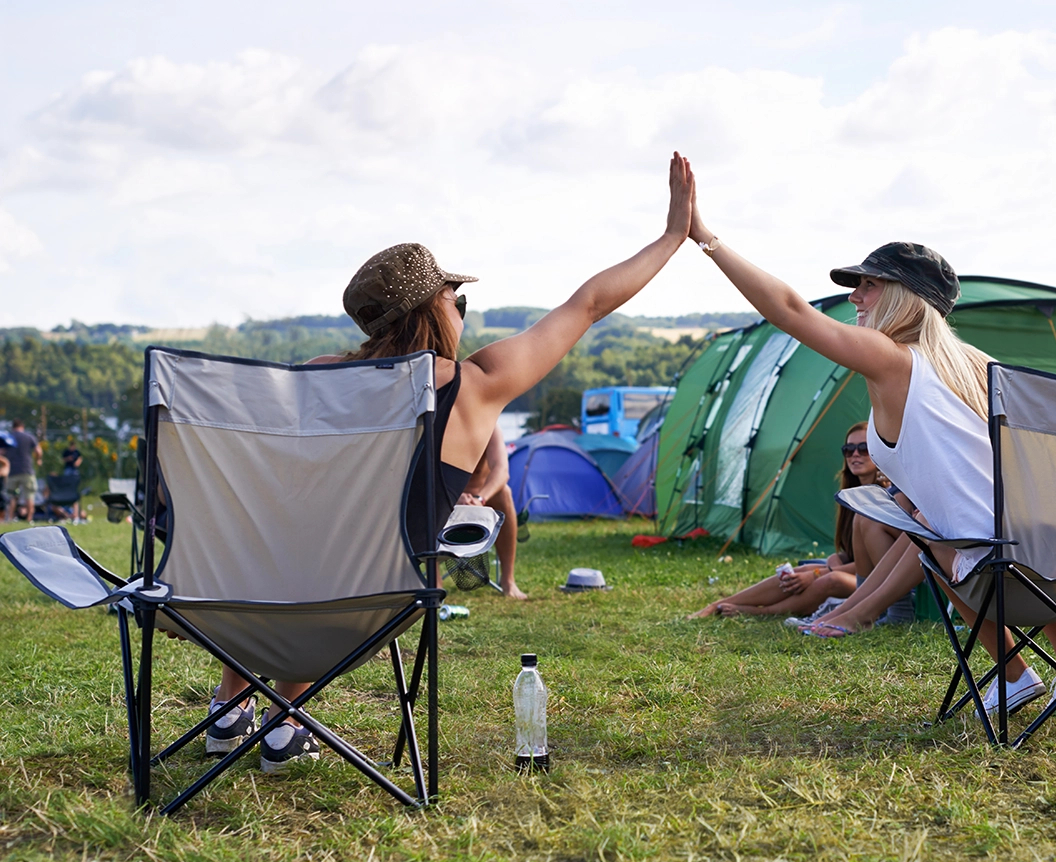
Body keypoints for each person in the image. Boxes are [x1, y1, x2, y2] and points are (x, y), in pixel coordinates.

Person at [204, 152, 696, 772]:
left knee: (285, 536)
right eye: (455, 296)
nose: (462, 309)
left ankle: (233, 706)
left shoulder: (305, 381)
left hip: (234, 606)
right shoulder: (474, 385)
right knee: (325, 557)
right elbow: (588, 306)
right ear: (433, 308)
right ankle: (283, 721)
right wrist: (673, 235)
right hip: (372, 609)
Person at [682, 164, 1056, 716]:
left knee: (936, 532)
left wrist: (706, 238)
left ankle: (1016, 674)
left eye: (868, 284)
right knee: (954, 524)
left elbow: (789, 311)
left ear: (905, 296)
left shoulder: (893, 360)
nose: (855, 298)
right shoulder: (978, 370)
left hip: (993, 569)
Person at [685, 422, 886, 619]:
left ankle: (761, 612)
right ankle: (718, 604)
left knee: (830, 578)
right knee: (800, 572)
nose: (855, 454)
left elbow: (879, 563)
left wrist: (819, 572)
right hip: (859, 575)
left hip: (883, 583)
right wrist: (833, 561)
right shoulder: (849, 496)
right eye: (848, 449)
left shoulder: (885, 497)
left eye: (864, 448)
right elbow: (852, 554)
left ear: (879, 452)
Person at [458, 426, 526, 599]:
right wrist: (453, 497)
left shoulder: (489, 426)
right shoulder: (438, 426)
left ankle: (508, 579)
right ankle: (435, 582)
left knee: (504, 493)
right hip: (445, 499)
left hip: (481, 501)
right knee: (426, 497)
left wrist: (480, 499)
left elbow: (502, 471)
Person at [4, 421, 42, 523]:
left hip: (11, 471)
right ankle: (29, 519)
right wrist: (38, 460)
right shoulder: (28, 437)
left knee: (11, 495)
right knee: (29, 495)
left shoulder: (8, 437)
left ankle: (10, 518)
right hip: (27, 470)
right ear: (22, 426)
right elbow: (38, 451)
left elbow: (2, 451)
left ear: (13, 427)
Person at [61, 436, 85, 522]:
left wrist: (77, 462)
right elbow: (63, 459)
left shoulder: (76, 452)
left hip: (74, 470)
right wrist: (68, 459)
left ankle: (76, 516)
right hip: (68, 469)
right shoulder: (66, 452)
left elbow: (80, 457)